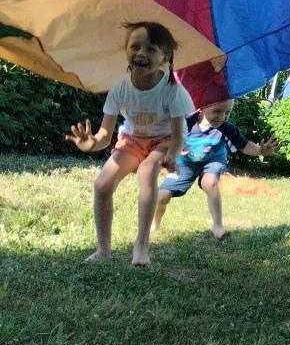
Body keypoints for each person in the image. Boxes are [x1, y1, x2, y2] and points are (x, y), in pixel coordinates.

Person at [65, 21, 194, 267]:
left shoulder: (172, 91)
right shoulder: (120, 88)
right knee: (102, 185)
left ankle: (141, 245)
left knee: (147, 171)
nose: (141, 53)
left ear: (165, 57)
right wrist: (89, 144)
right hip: (133, 139)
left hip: (164, 140)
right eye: (135, 47)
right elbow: (104, 136)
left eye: (151, 49)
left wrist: (172, 155)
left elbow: (178, 137)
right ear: (126, 50)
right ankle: (103, 250)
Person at [152, 99, 277, 240]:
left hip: (213, 160)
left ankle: (218, 226)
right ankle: (155, 224)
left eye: (227, 113)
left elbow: (244, 145)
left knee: (209, 182)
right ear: (201, 108)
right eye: (217, 111)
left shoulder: (226, 128)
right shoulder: (185, 123)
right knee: (162, 196)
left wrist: (261, 150)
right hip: (185, 163)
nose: (222, 117)